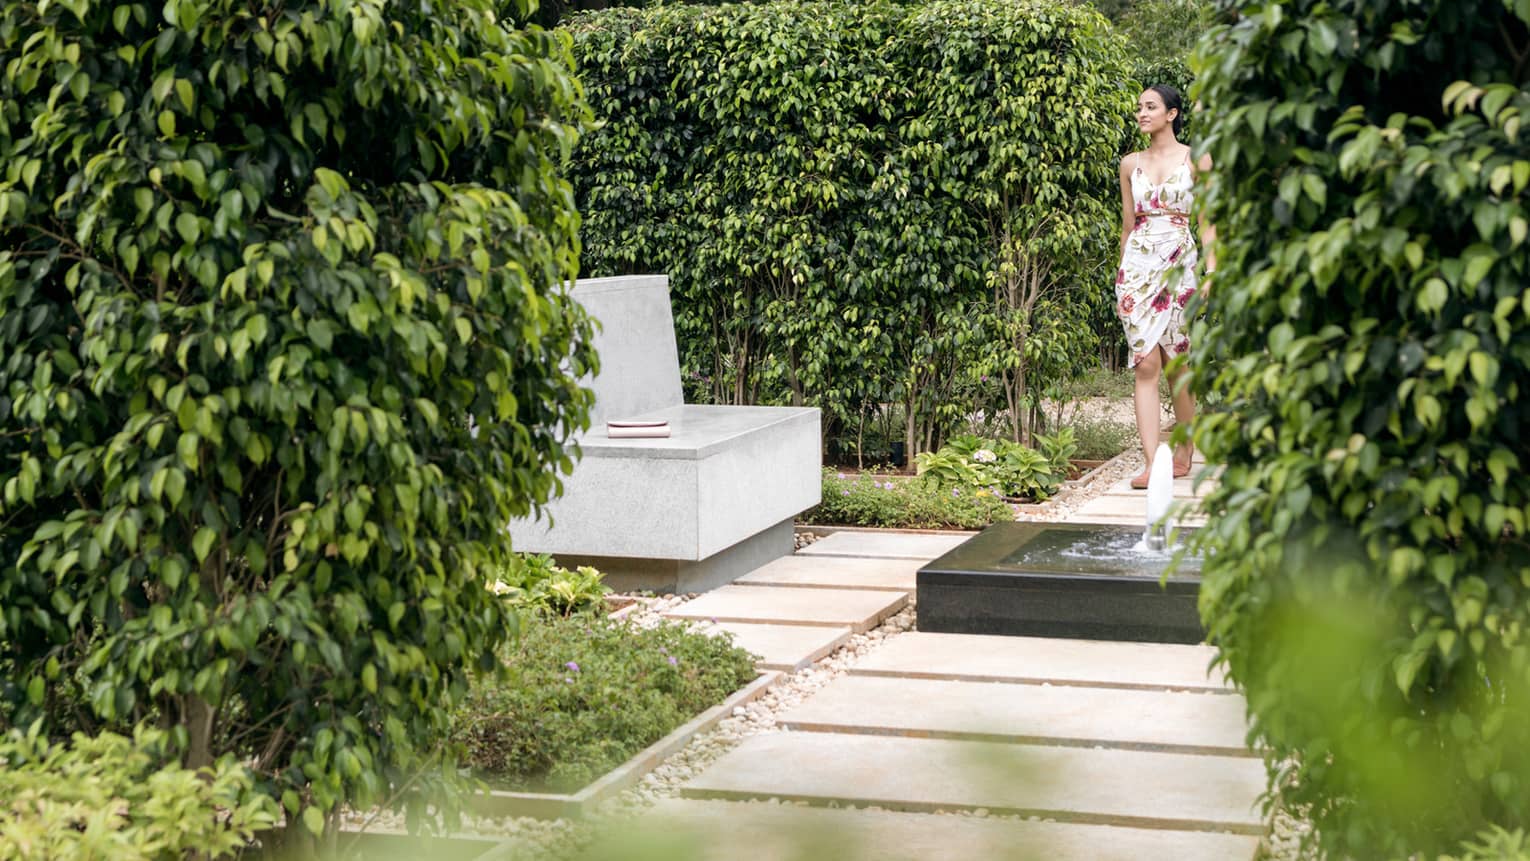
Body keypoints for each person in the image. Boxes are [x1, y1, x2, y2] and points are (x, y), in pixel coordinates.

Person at [1115, 83, 1215, 490]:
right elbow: (1127, 224)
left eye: (1150, 107)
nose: (1141, 113)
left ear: (1171, 114)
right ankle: (1151, 462)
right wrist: (1122, 275)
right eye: (1139, 107)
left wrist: (1212, 272)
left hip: (1180, 266)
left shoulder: (1197, 159)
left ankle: (1185, 447)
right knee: (1146, 364)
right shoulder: (1129, 164)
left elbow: (1208, 222)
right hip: (1137, 269)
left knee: (1179, 364)